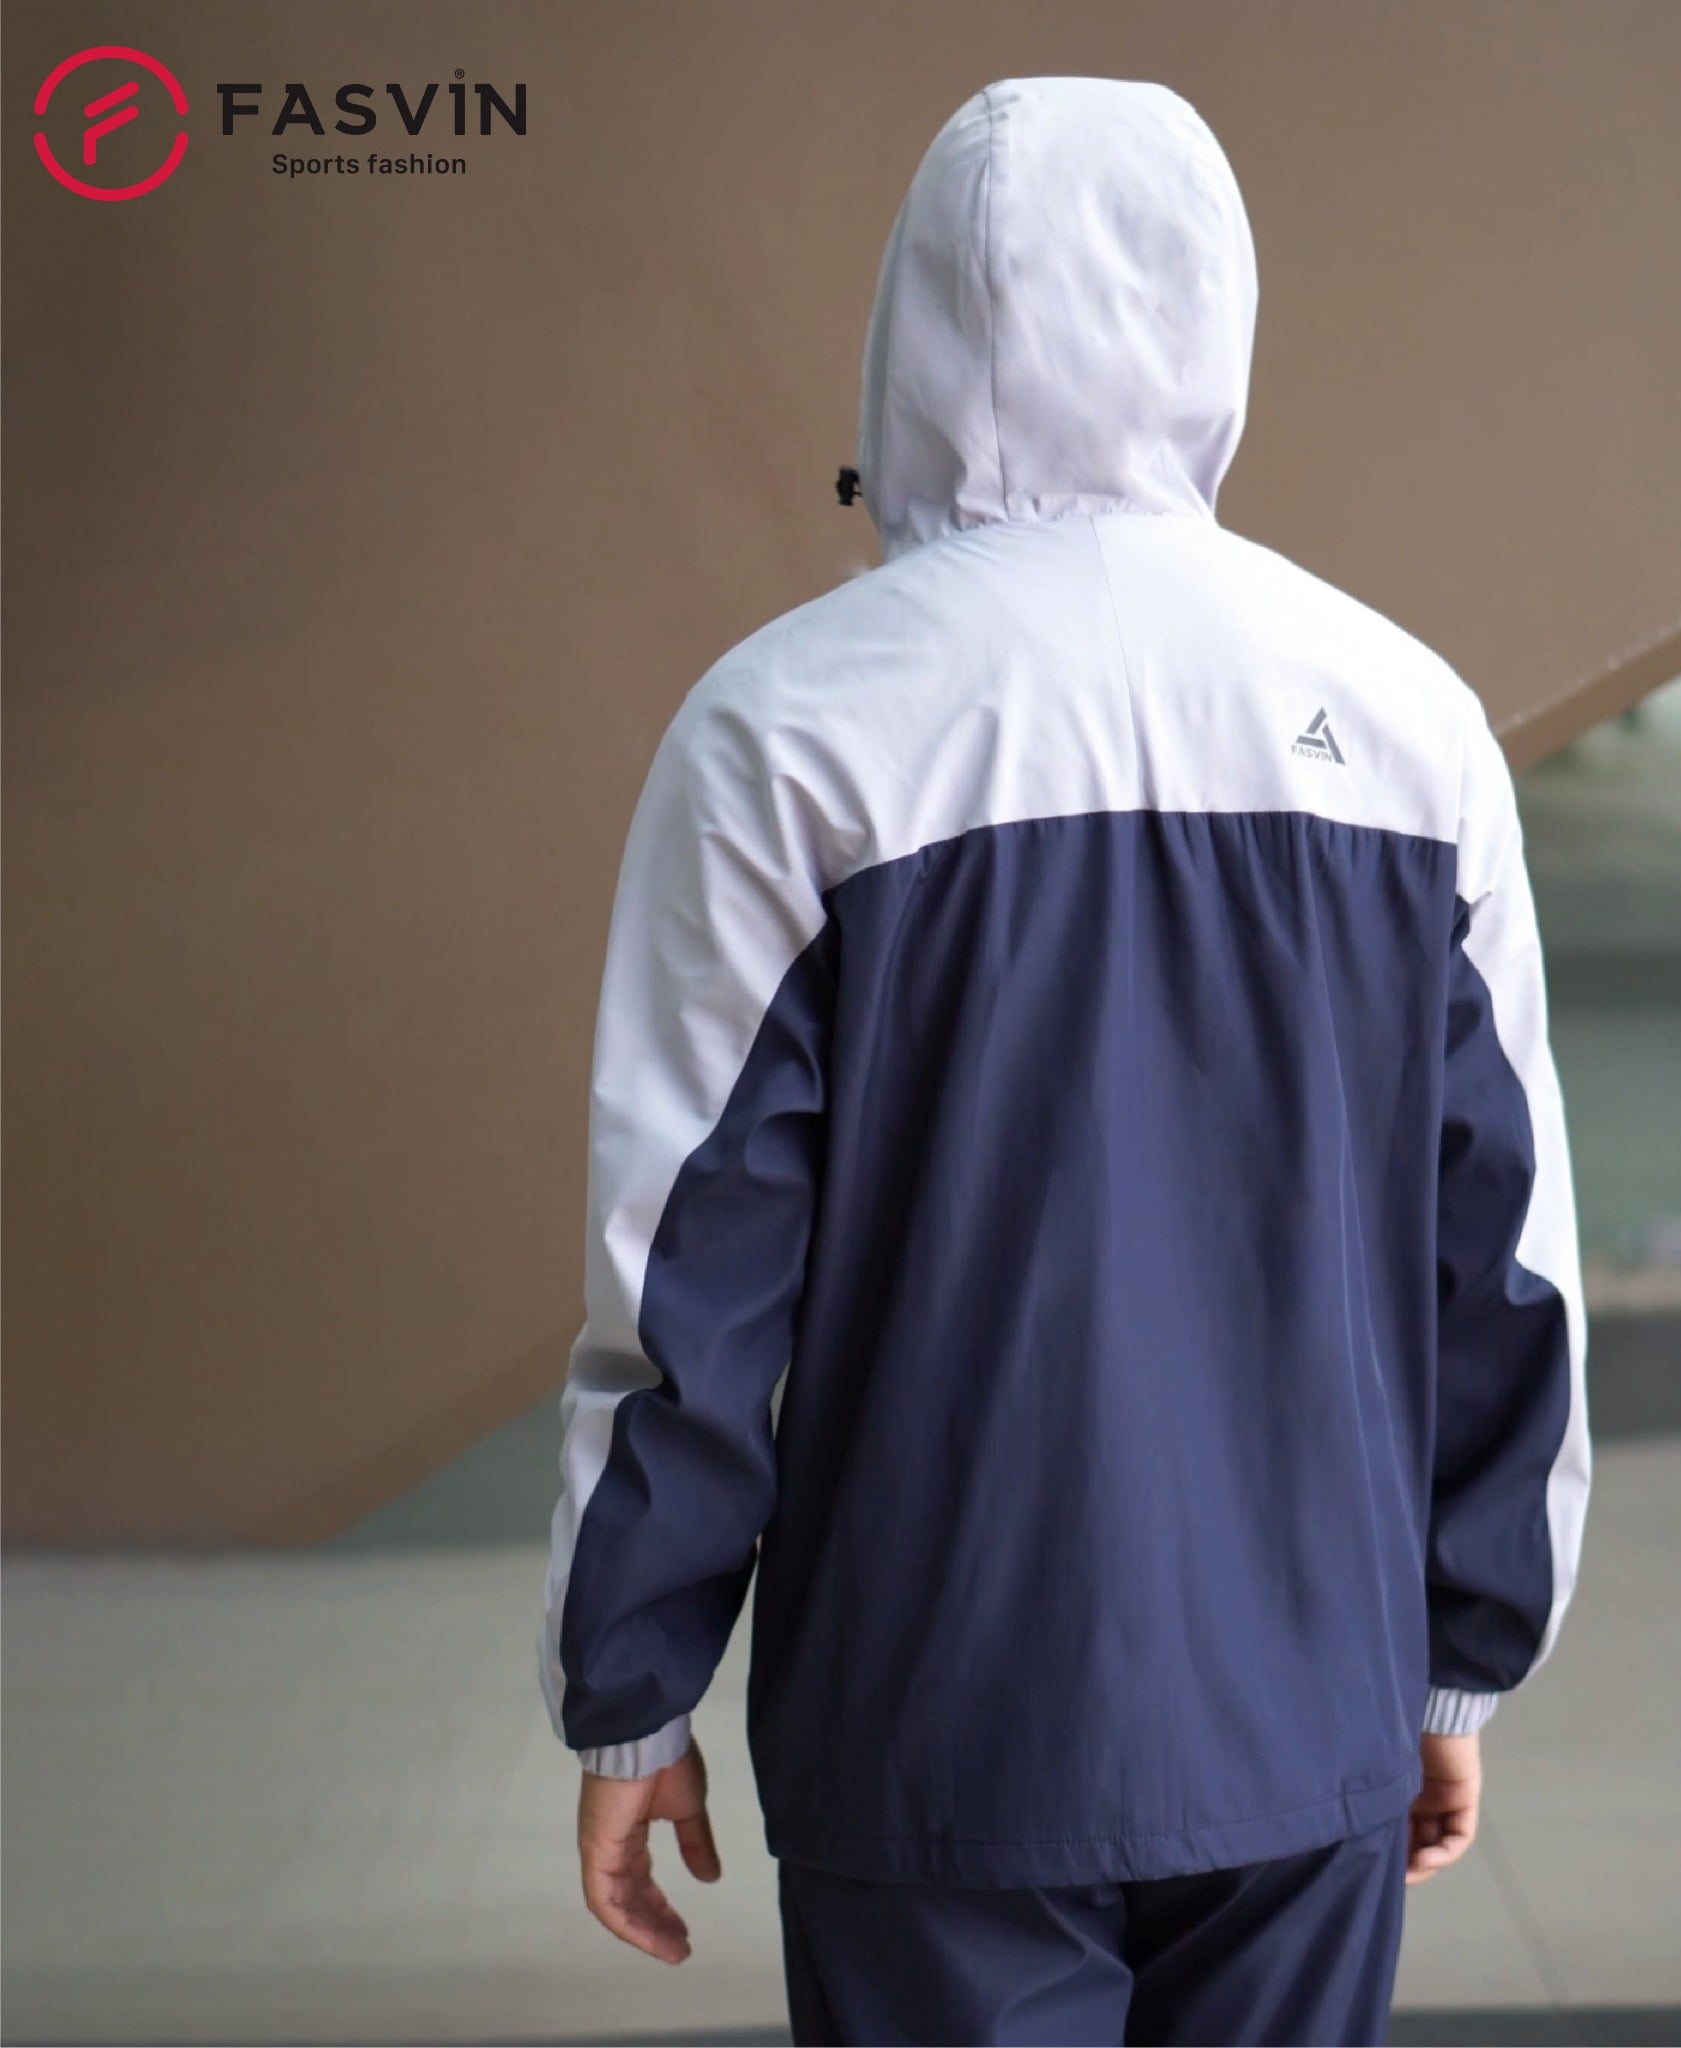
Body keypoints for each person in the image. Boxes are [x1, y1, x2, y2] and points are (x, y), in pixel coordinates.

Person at [539, 74, 1590, 2048]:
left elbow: (688, 1265)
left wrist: (633, 1688)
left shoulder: (785, 730)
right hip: (1308, 1704)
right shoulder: (1407, 720)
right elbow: (1505, 1247)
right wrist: (1461, 1655)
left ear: (914, 329)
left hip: (934, 1718)